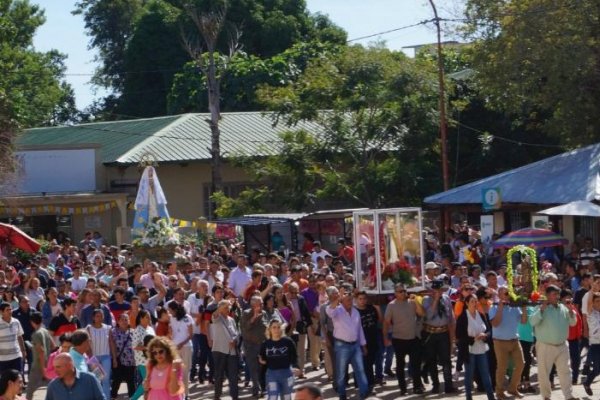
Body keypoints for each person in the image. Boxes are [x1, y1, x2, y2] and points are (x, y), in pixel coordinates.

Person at [529, 285, 578, 400]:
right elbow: (532, 322)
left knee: (565, 371)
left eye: (558, 294)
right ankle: (546, 396)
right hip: (545, 346)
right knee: (544, 373)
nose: (557, 297)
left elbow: (573, 323)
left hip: (562, 345)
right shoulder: (540, 307)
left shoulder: (564, 307)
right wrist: (541, 309)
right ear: (547, 296)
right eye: (554, 294)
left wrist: (571, 311)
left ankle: (569, 396)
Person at [326, 290, 370, 400]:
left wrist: (363, 345)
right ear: (342, 301)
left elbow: (359, 330)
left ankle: (364, 393)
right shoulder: (337, 311)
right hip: (342, 346)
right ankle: (342, 395)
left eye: (351, 300)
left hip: (355, 345)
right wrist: (337, 299)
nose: (350, 302)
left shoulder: (355, 312)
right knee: (341, 373)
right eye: (347, 300)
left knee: (360, 370)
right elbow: (329, 311)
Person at [382, 283, 425, 395]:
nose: (403, 293)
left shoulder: (411, 303)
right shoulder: (391, 305)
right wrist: (386, 338)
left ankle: (417, 387)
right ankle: (403, 388)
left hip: (413, 338)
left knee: (416, 364)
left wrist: (415, 300)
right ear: (395, 293)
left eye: (404, 291)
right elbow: (386, 322)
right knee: (400, 366)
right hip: (399, 339)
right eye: (400, 291)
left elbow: (421, 313)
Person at [488, 286, 526, 399]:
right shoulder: (493, 307)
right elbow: (495, 324)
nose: (507, 295)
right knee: (502, 367)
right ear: (499, 295)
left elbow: (523, 322)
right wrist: (500, 308)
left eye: (508, 293)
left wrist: (524, 308)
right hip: (500, 342)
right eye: (504, 293)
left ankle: (513, 388)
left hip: (514, 340)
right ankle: (499, 392)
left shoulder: (514, 307)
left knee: (521, 364)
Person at [456, 294, 495, 400]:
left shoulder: (481, 315)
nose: (474, 303)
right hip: (469, 350)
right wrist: (473, 339)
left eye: (475, 301)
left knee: (485, 374)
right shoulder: (463, 317)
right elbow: (459, 335)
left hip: (482, 349)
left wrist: (485, 335)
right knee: (469, 375)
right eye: (472, 301)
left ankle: (491, 397)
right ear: (467, 303)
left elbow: (489, 330)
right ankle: (469, 397)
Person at [421, 279, 457, 394]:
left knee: (446, 360)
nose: (439, 292)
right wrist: (435, 300)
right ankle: (435, 385)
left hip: (443, 332)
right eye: (436, 290)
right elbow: (428, 316)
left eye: (440, 290)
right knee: (431, 360)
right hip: (430, 333)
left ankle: (448, 385)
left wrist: (453, 336)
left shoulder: (446, 299)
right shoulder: (426, 300)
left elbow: (451, 318)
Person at [259, 319, 298, 400]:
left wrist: (296, 367)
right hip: (271, 374)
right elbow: (262, 358)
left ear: (281, 329)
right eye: (274, 327)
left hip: (287, 373)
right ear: (269, 329)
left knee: (287, 397)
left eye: (278, 327)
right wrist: (261, 361)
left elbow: (294, 356)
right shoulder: (265, 344)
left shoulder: (288, 341)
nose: (276, 329)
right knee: (272, 397)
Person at [210, 299, 240, 400]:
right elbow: (214, 315)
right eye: (226, 308)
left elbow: (236, 333)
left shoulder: (231, 319)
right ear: (220, 309)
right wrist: (222, 305)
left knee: (233, 376)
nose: (228, 309)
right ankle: (217, 396)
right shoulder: (217, 318)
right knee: (219, 376)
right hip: (219, 350)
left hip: (231, 351)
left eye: (229, 307)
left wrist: (234, 340)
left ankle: (235, 396)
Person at [241, 295, 269, 397]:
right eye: (260, 304)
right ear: (253, 305)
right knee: (253, 369)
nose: (262, 305)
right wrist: (253, 318)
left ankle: (263, 388)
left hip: (262, 345)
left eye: (262, 303)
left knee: (262, 368)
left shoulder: (264, 313)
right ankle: (256, 390)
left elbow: (266, 326)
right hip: (251, 346)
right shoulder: (246, 313)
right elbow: (244, 329)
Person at [166, 301, 193, 400]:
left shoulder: (187, 318)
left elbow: (191, 335)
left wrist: (182, 343)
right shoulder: (170, 318)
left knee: (185, 371)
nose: (169, 312)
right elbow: (170, 334)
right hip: (174, 348)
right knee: (175, 372)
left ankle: (186, 394)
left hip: (186, 347)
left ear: (175, 309)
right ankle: (177, 393)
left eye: (170, 310)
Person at [26, 312, 54, 400]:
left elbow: (41, 351)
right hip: (48, 363)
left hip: (38, 365)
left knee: (30, 389)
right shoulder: (45, 331)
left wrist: (43, 368)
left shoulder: (35, 334)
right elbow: (53, 345)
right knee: (52, 387)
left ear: (31, 322)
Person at [87, 309, 114, 400]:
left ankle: (106, 398)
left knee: (106, 380)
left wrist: (114, 358)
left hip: (106, 357)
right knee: (97, 379)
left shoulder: (108, 328)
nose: (100, 318)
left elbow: (111, 343)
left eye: (101, 316)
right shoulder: (89, 328)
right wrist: (91, 358)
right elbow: (87, 344)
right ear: (93, 317)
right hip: (94, 358)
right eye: (97, 316)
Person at [111, 313, 136, 399]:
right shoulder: (113, 332)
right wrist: (114, 359)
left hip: (131, 362)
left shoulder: (133, 332)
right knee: (116, 381)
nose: (124, 321)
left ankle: (132, 398)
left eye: (126, 319)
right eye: (122, 319)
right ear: (118, 321)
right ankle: (113, 397)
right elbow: (112, 346)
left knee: (131, 382)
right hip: (119, 362)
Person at [132, 310, 155, 400]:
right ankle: (133, 398)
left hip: (152, 359)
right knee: (147, 382)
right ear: (141, 319)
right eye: (147, 317)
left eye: (149, 317)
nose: (149, 319)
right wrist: (147, 348)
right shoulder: (137, 330)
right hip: (142, 361)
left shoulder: (150, 328)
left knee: (149, 382)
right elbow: (134, 346)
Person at [0, 302, 26, 371]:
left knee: (18, 377)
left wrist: (23, 351)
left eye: (10, 309)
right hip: (3, 359)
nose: (10, 311)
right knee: (4, 380)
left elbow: (19, 337)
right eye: (7, 310)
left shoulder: (16, 322)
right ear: (1, 312)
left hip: (16, 357)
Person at [584, 291, 600, 395]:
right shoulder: (590, 313)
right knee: (597, 369)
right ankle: (587, 383)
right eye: (597, 301)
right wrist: (592, 289)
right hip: (595, 345)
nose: (599, 303)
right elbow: (588, 301)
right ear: (593, 303)